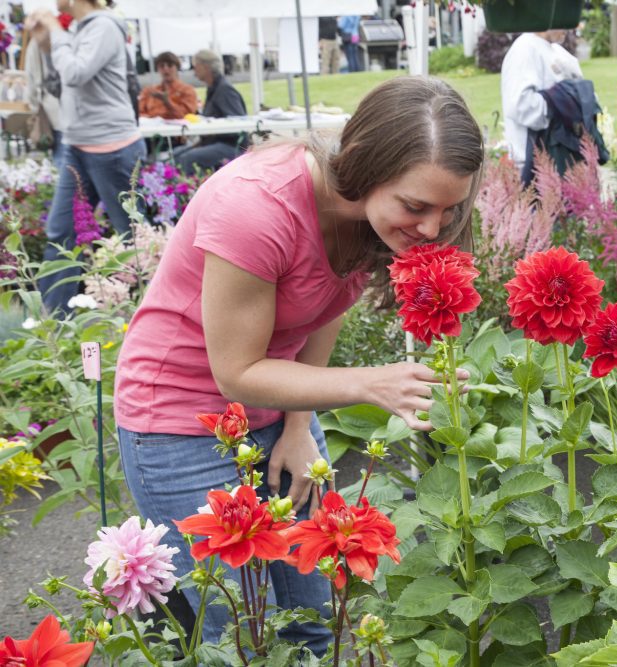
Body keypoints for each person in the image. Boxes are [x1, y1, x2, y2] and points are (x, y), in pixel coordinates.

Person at [113, 76, 484, 653]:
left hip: (278, 403)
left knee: (315, 622)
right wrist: (371, 384)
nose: (432, 229)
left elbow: (319, 308)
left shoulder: (367, 216)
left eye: (448, 209)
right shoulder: (256, 206)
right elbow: (235, 373)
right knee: (241, 634)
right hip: (181, 423)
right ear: (363, 164)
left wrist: (296, 427)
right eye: (416, 206)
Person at [26, 0, 146, 314]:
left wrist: (55, 31)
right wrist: (47, 44)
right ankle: (56, 324)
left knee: (134, 238)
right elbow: (63, 83)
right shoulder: (82, 30)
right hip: (78, 146)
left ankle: (151, 316)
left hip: (112, 149)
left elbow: (76, 73)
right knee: (61, 233)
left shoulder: (104, 26)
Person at [500, 29, 583, 176]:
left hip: (560, 160)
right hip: (533, 167)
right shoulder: (524, 49)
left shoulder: (556, 50)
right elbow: (520, 106)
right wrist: (559, 103)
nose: (568, 28)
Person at [171, 49, 247, 175]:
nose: (194, 71)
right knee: (175, 154)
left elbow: (238, 125)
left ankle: (192, 190)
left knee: (187, 158)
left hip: (231, 146)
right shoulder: (214, 88)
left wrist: (209, 132)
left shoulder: (225, 90)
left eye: (195, 67)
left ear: (205, 67)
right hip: (216, 142)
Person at [23, 33, 64, 163]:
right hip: (80, 116)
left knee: (61, 159)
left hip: (52, 110)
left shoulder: (38, 40)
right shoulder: (77, 34)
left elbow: (31, 78)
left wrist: (34, 105)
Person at [138, 51, 198, 120]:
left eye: (170, 65)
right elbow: (139, 113)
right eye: (161, 66)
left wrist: (167, 102)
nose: (166, 69)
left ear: (177, 67)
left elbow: (186, 116)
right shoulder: (149, 91)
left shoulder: (187, 90)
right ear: (158, 69)